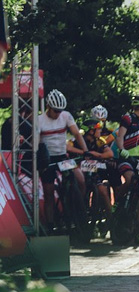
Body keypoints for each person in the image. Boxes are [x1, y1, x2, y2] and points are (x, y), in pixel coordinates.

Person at [38, 89, 88, 228]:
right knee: (48, 193)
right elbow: (36, 143)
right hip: (48, 159)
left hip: (62, 156)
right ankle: (50, 224)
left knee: (80, 179)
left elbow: (77, 134)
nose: (58, 113)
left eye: (60, 110)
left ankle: (79, 210)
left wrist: (86, 151)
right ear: (48, 107)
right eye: (55, 111)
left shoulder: (66, 116)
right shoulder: (40, 120)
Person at [115, 94, 139, 199]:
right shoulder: (128, 119)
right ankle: (117, 202)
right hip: (126, 157)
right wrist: (122, 149)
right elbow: (120, 137)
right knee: (129, 179)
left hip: (138, 157)